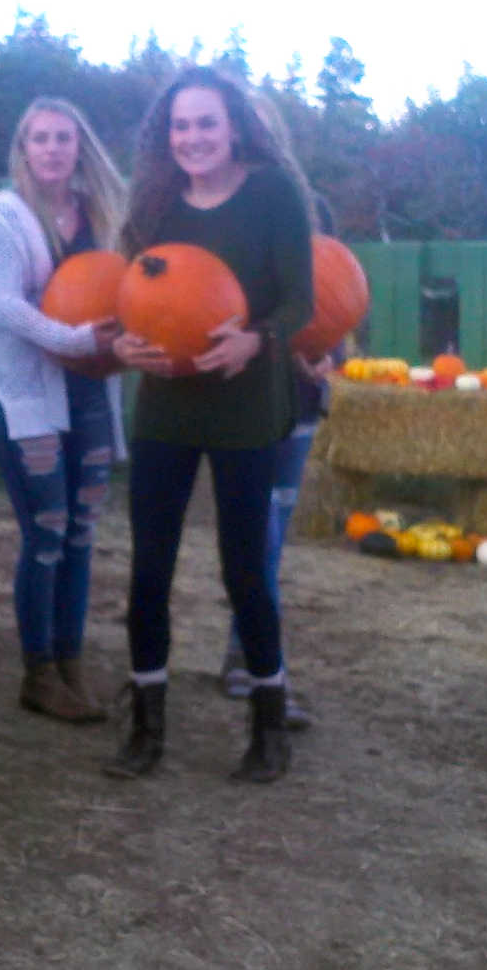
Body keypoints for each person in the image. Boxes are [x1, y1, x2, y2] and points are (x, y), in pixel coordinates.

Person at [104, 65, 313, 784]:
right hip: (167, 403)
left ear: (234, 128)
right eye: (181, 126)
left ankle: (268, 721)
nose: (192, 137)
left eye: (206, 124)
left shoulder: (274, 194)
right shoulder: (156, 204)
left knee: (243, 569)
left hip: (244, 401)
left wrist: (257, 338)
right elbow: (133, 298)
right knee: (149, 568)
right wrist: (123, 343)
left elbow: (300, 302)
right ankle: (146, 724)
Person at [0, 97, 128, 724]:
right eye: (40, 138)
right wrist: (77, 341)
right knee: (46, 532)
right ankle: (37, 671)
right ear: (24, 148)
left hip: (90, 394)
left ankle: (70, 662)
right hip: (26, 398)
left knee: (81, 535)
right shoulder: (4, 216)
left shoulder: (104, 215)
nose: (53, 149)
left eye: (64, 138)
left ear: (80, 146)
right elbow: (6, 305)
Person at [215, 95, 335, 731]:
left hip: (301, 401)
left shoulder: (310, 211)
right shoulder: (210, 210)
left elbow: (332, 303)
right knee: (255, 537)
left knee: (271, 542)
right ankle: (263, 670)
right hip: (248, 396)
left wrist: (332, 358)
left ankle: (247, 652)